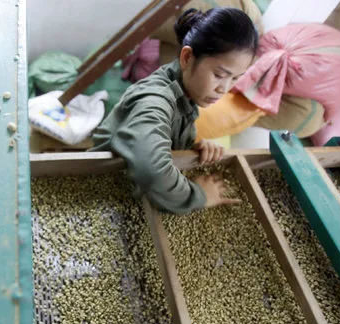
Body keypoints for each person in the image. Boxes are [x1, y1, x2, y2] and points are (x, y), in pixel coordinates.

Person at [90, 7, 258, 214]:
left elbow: (161, 136)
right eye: (219, 74)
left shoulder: (186, 92)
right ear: (187, 58)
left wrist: (191, 147)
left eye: (235, 78)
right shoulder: (154, 100)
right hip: (103, 192)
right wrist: (200, 195)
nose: (223, 89)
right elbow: (151, 170)